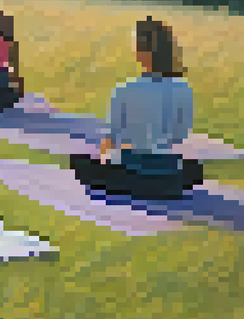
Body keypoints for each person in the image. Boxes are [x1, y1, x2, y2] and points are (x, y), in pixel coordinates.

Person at [71, 18, 204, 200]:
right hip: (167, 171)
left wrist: (103, 159)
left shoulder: (125, 90)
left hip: (130, 172)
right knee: (192, 167)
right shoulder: (184, 89)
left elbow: (111, 138)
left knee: (81, 162)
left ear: (141, 52)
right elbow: (180, 135)